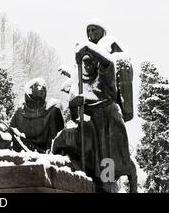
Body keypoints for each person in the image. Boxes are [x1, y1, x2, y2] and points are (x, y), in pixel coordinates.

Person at [52, 42, 137, 193]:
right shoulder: (78, 81)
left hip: (109, 122)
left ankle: (109, 185)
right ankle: (59, 170)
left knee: (107, 158)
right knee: (63, 138)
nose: (88, 64)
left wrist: (89, 48)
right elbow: (74, 116)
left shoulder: (104, 76)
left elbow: (108, 62)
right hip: (90, 123)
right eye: (85, 61)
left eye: (91, 60)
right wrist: (73, 104)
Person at [86, 18, 134, 122]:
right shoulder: (88, 48)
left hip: (109, 84)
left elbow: (105, 56)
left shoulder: (107, 41)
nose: (91, 33)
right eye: (89, 30)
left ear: (102, 31)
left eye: (94, 29)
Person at [10, 78, 64, 153]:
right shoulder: (19, 112)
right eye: (38, 87)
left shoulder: (52, 110)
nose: (41, 90)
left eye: (43, 89)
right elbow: (11, 133)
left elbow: (56, 141)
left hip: (45, 155)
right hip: (22, 151)